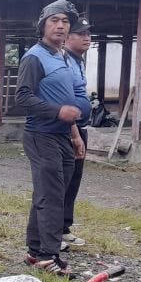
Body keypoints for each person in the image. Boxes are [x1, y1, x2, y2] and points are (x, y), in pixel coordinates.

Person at [16, 0, 90, 276]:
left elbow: (68, 98)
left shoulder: (62, 56)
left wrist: (75, 134)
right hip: (41, 135)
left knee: (49, 193)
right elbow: (22, 97)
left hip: (63, 135)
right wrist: (58, 111)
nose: (60, 25)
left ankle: (35, 252)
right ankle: (49, 257)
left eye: (65, 22)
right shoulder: (34, 57)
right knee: (53, 196)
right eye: (54, 20)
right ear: (43, 24)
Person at [61, 20, 93, 247]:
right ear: (67, 37)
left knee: (74, 179)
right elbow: (65, 97)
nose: (87, 38)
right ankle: (54, 229)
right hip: (68, 128)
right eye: (80, 34)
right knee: (61, 181)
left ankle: (64, 227)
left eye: (88, 34)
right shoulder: (63, 60)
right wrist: (74, 133)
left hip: (80, 126)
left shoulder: (78, 61)